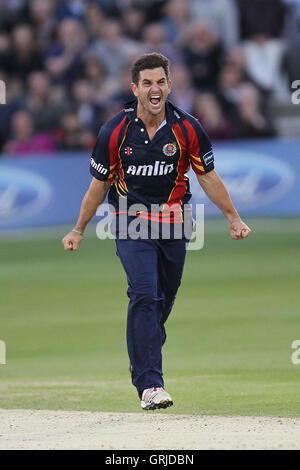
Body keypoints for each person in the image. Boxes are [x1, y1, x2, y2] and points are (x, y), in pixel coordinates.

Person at [62, 53, 251, 410]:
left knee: (161, 301)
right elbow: (98, 186)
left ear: (169, 85)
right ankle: (150, 384)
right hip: (129, 220)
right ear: (134, 88)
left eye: (160, 82)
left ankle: (142, 349)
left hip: (176, 221)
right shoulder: (115, 130)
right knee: (145, 294)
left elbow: (207, 176)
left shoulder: (188, 128)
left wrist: (233, 217)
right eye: (147, 82)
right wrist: (78, 228)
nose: (154, 89)